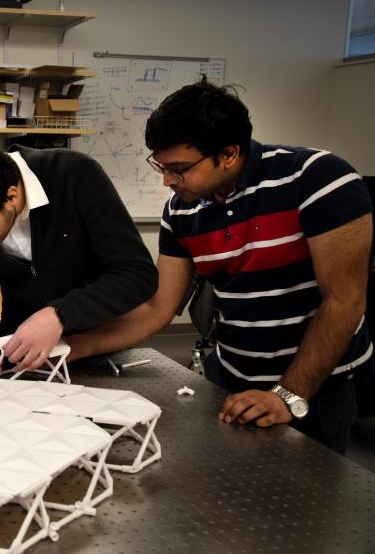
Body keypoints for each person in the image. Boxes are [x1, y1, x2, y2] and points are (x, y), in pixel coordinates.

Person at [66, 78, 373, 453]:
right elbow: (156, 308)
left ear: (228, 154)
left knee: (308, 503)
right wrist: (69, 347)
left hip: (316, 387)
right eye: (160, 166)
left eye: (179, 168)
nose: (167, 181)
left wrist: (287, 395)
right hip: (232, 378)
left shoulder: (316, 178)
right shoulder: (181, 209)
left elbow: (343, 301)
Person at [0, 141, 158, 375]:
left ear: (11, 196)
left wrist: (59, 314)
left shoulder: (73, 175)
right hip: (23, 354)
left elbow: (136, 274)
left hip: (99, 342)